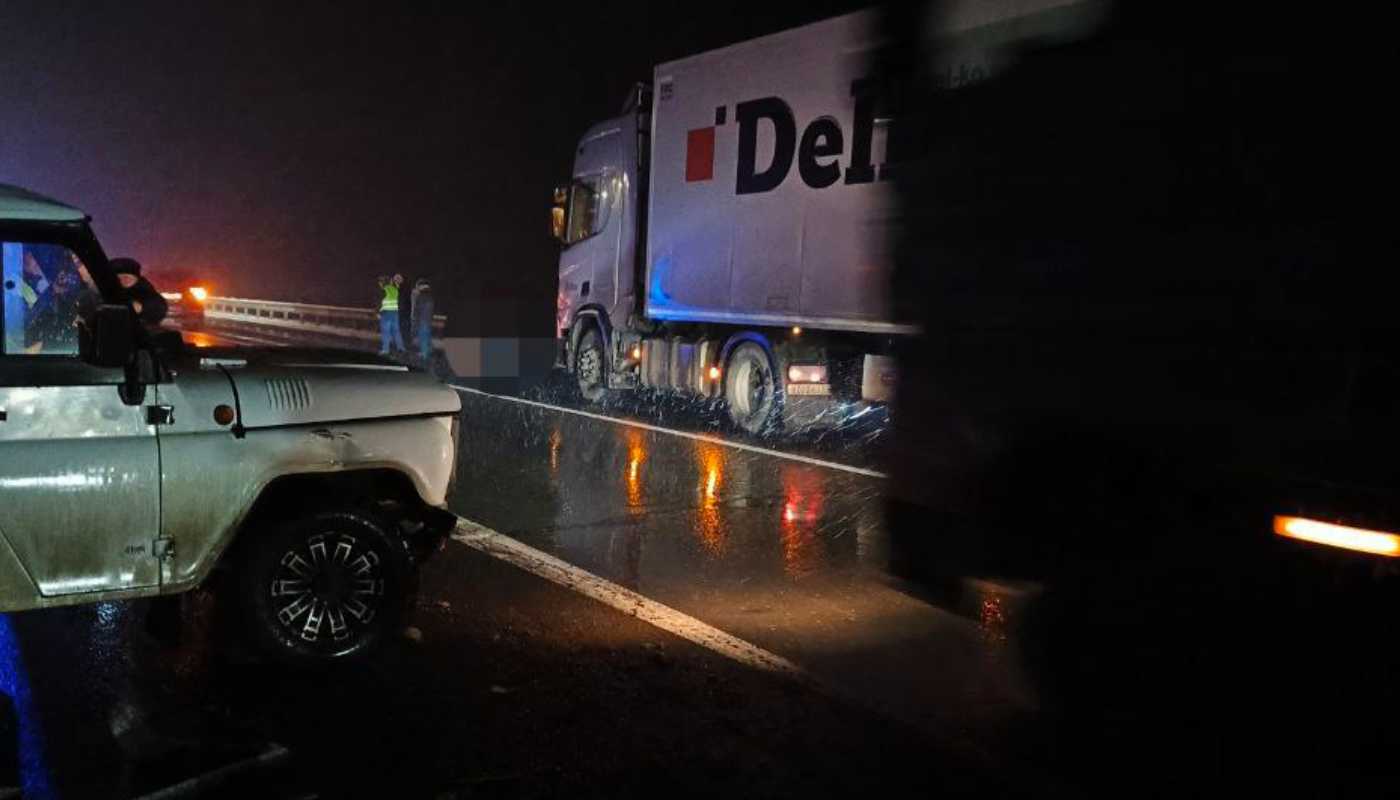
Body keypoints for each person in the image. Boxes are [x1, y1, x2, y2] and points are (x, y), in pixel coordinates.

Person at [377, 273, 405, 355]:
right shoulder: (395, 290)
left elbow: (379, 303)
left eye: (380, 282)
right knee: (396, 331)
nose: (379, 284)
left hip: (385, 313)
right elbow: (399, 301)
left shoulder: (384, 290)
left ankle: (385, 350)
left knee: (386, 332)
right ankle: (401, 348)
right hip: (395, 313)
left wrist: (377, 312)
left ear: (383, 283)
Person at [409, 277, 434, 363]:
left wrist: (414, 318)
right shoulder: (428, 295)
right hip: (426, 318)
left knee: (423, 334)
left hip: (422, 318)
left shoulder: (420, 295)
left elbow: (416, 308)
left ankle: (425, 353)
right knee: (426, 334)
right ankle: (427, 350)